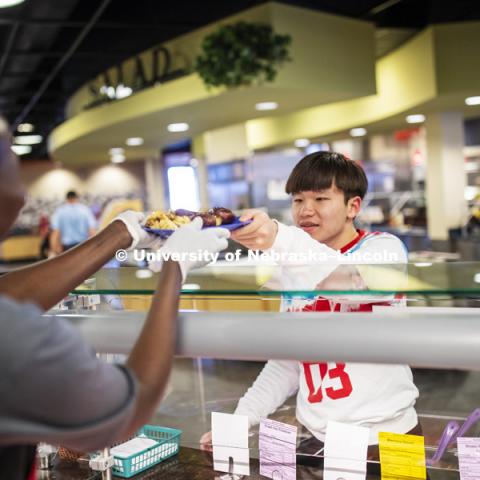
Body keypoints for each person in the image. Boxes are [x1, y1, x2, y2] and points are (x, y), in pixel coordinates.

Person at [0, 115, 230, 479]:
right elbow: (128, 406)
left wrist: (122, 234)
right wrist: (175, 268)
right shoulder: (14, 340)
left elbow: (6, 294)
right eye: (8, 149)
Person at [200, 151, 419, 460]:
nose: (305, 211)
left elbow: (349, 282)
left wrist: (279, 238)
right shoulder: (292, 266)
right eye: (298, 200)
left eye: (320, 199)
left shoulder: (384, 249)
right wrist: (240, 418)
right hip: (317, 439)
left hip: (390, 439)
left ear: (352, 206)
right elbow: (288, 363)